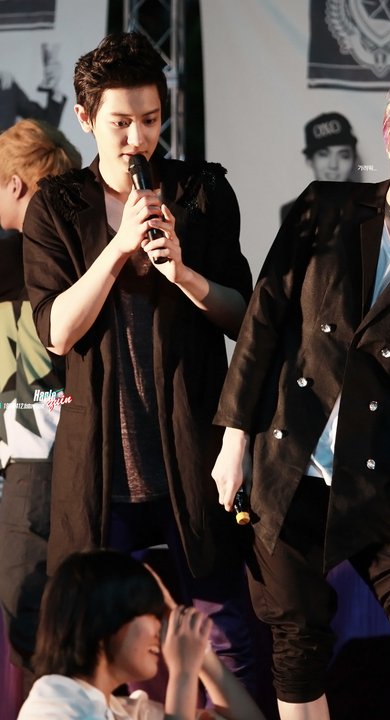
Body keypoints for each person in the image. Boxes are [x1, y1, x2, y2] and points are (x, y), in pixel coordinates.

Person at [212, 73, 390, 720]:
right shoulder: (324, 207)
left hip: (375, 477)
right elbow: (262, 322)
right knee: (297, 641)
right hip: (284, 466)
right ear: (387, 141)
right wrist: (233, 442)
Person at [22, 31, 255, 697]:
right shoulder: (57, 206)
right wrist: (119, 246)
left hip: (191, 459)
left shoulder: (202, 192)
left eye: (150, 121)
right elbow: (56, 333)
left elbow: (244, 318)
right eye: (120, 123)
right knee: (90, 649)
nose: (137, 140)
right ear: (85, 117)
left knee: (224, 637)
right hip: (101, 471)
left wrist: (183, 274)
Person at [0, 119, 81, 677]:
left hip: (38, 454)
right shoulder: (85, 252)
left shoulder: (19, 255)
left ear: (15, 184)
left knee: (31, 616)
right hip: (65, 449)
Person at [17, 549, 266, 720]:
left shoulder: (123, 711)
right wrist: (183, 673)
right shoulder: (51, 706)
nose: (161, 628)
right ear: (108, 618)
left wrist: (200, 652)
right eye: (152, 614)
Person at [280, 111, 358, 221]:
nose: (333, 165)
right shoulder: (292, 211)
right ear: (309, 160)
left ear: (354, 160)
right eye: (323, 154)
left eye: (343, 155)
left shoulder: (374, 207)